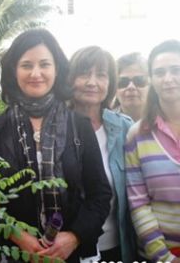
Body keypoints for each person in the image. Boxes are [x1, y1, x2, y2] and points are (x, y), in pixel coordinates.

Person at [0, 29, 111, 262]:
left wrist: (74, 237)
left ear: (56, 69)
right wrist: (20, 238)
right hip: (16, 255)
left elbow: (99, 194)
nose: (36, 73)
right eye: (26, 65)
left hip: (73, 255)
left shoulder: (78, 126)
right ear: (14, 71)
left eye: (44, 64)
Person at [68, 46, 136, 262]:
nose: (92, 82)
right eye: (84, 73)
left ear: (110, 83)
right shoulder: (55, 128)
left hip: (117, 246)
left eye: (101, 75)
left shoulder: (125, 129)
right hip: (69, 248)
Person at [125, 40, 180, 262]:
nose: (168, 79)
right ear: (152, 80)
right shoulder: (137, 134)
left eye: (175, 70)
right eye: (159, 73)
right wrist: (163, 257)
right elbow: (138, 203)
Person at [114, 52, 149, 121]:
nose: (131, 87)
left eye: (139, 80)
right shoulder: (102, 125)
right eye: (123, 82)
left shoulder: (169, 121)